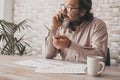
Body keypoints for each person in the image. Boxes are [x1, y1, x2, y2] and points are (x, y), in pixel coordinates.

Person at [42, 0, 108, 63]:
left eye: (69, 8)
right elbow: (47, 55)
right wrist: (53, 29)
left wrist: (70, 45)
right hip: (67, 72)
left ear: (82, 12)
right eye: (63, 7)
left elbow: (100, 58)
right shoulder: (61, 25)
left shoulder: (97, 25)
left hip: (88, 73)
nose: (63, 12)